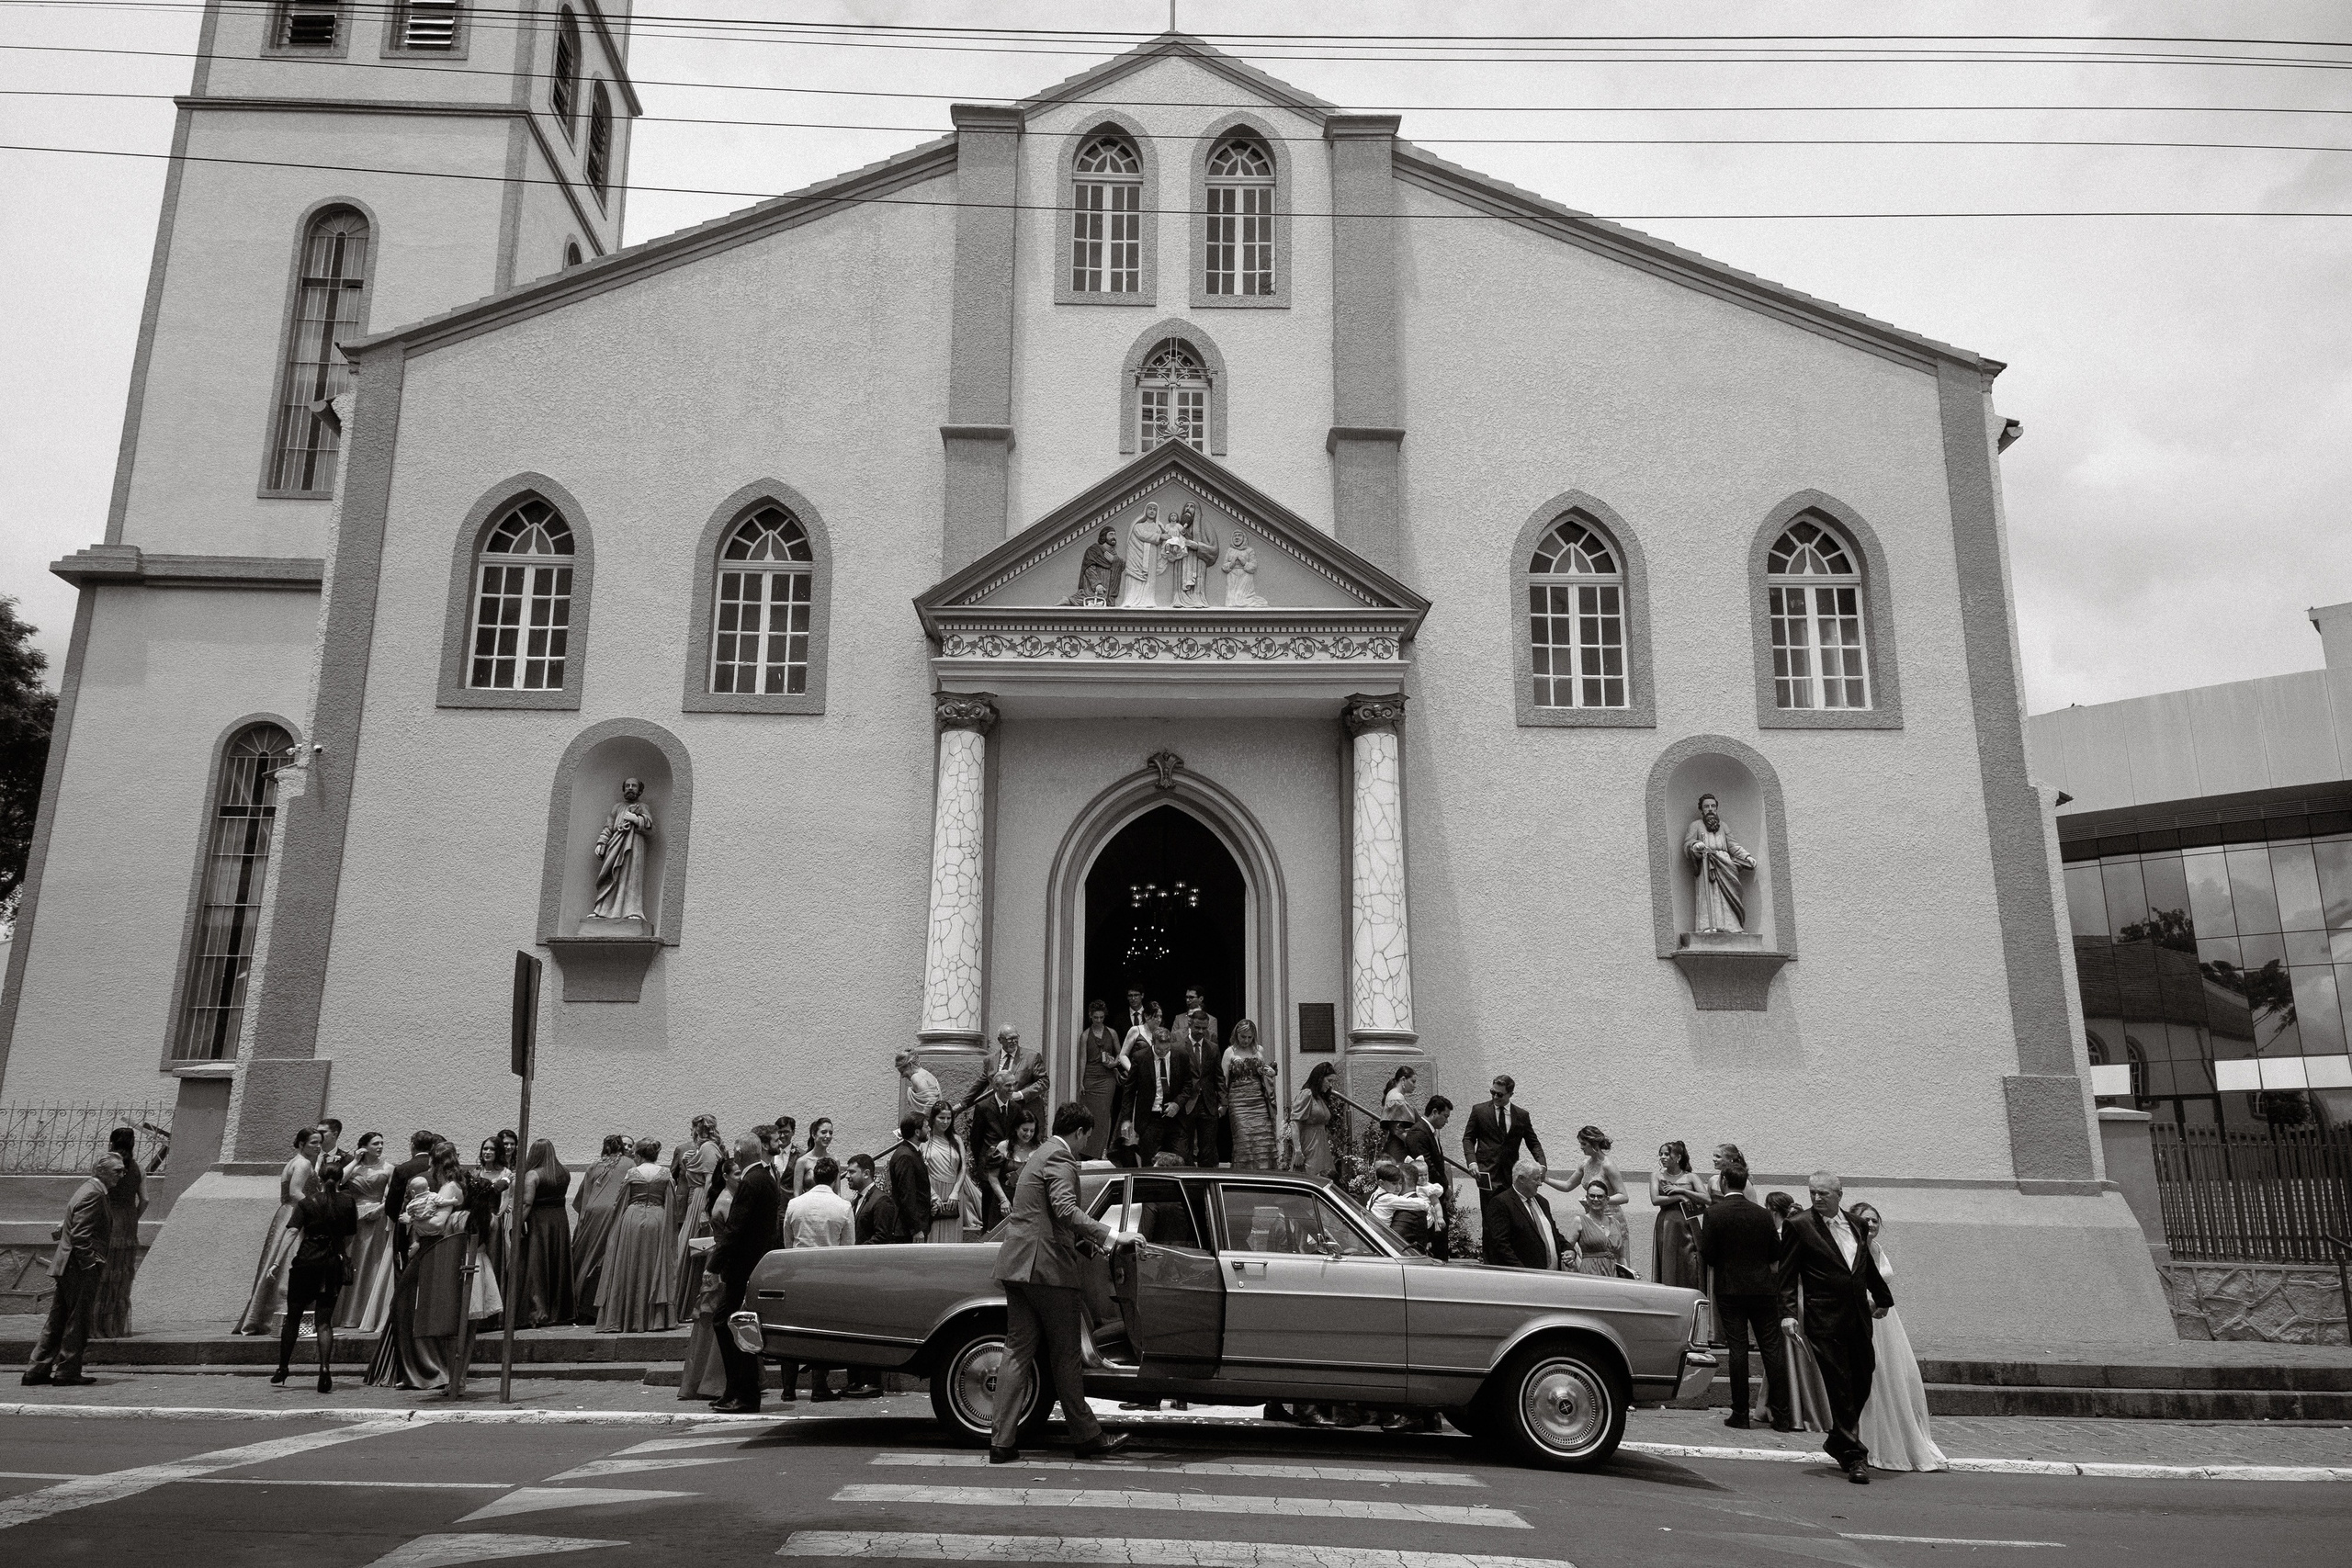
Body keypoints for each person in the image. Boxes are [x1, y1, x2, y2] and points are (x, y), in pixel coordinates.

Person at [988, 1100, 1140, 1464]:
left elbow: (1047, 1217)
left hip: (1019, 1266)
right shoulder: (1061, 1157)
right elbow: (1065, 1210)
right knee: (1067, 1356)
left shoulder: (1039, 1154)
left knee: (1017, 1351)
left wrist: (1090, 1245)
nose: (1085, 1144)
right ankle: (1087, 1436)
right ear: (1080, 1132)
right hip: (1049, 1271)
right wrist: (1111, 1236)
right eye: (1087, 1137)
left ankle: (1002, 1442)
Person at [1777, 1172, 1894, 1483]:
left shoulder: (1856, 1224)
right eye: (1813, 1193)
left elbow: (1863, 1266)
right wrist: (1788, 1313)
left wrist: (1883, 1298)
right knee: (1839, 1383)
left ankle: (1836, 1440)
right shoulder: (1799, 1225)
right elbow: (1786, 1274)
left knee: (1863, 1375)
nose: (1817, 1199)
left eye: (1823, 1194)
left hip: (1858, 1317)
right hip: (1823, 1319)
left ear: (1839, 1195)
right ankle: (1855, 1456)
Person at [1849, 1202, 1947, 1472]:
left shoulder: (1879, 1250)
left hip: (1886, 1322)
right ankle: (1868, 1441)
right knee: (1872, 1379)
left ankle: (1902, 1438)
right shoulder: (1847, 1250)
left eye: (1874, 1220)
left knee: (1899, 1378)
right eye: (1864, 1220)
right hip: (1859, 1318)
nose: (1870, 1225)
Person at [367, 1142, 470, 1392]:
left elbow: (436, 1225)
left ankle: (426, 1371)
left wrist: (410, 1220)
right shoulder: (450, 1186)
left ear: (435, 1163)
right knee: (409, 1306)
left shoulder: (448, 1188)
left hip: (433, 1250)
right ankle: (419, 1370)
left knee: (406, 1304)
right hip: (430, 1250)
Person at [779, 1155, 882, 1401]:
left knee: (791, 1332)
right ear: (836, 1176)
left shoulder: (795, 1204)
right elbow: (849, 1246)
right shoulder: (843, 1207)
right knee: (820, 1333)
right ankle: (818, 1386)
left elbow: (787, 1240)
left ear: (813, 1177)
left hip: (797, 1273)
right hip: (827, 1274)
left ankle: (788, 1389)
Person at [1700, 1162, 1792, 1432]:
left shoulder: (1714, 1214)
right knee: (1771, 1349)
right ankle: (1782, 1415)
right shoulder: (1763, 1214)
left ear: (1725, 1182)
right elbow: (1775, 1252)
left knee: (1737, 1349)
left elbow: (1708, 1254)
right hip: (1762, 1288)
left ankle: (1740, 1412)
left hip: (1730, 1288)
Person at [22, 1153, 123, 1386]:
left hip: (67, 1265)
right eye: (117, 1170)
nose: (122, 1174)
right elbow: (80, 1235)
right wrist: (90, 1263)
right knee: (77, 1320)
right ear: (101, 1171)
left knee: (57, 1319)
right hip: (78, 1267)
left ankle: (37, 1369)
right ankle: (67, 1371)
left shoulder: (87, 1189)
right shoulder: (94, 1194)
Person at [707, 1133, 780, 1414]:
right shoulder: (766, 1178)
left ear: (738, 1154)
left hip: (743, 1268)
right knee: (734, 1324)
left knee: (729, 1324)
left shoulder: (752, 1181)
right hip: (754, 1265)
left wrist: (713, 1267)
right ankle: (735, 1390)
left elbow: (735, 1230)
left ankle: (743, 1392)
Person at [276, 1153, 357, 1392]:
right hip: (332, 1263)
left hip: (307, 1261)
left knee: (293, 1317)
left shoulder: (307, 1202)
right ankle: (324, 1368)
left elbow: (291, 1232)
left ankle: (282, 1368)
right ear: (341, 1178)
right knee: (324, 1322)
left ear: (319, 1178)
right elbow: (350, 1235)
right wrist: (340, 1251)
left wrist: (276, 1262)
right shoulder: (348, 1202)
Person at [234, 1125, 322, 1335]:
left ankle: (264, 1315)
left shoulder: (295, 1161)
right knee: (290, 1263)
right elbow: (295, 1192)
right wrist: (319, 1207)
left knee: (279, 1262)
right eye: (313, 1143)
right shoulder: (302, 1164)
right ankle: (284, 1316)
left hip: (285, 1213)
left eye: (320, 1142)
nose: (318, 1146)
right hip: (295, 1214)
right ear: (302, 1144)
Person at [596, 1137, 676, 1332]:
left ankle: (625, 1317)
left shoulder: (632, 1173)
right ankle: (654, 1319)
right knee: (654, 1264)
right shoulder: (666, 1174)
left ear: (638, 1155)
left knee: (628, 1265)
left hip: (631, 1220)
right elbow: (672, 1204)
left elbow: (619, 1202)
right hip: (657, 1220)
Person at [1462, 1076, 1544, 1252]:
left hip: (1511, 1175)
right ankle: (1489, 1260)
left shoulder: (1521, 1115)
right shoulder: (1479, 1111)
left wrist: (1541, 1165)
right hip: (1486, 1174)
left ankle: (1508, 1259)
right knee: (1490, 1219)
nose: (1495, 1097)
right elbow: (1468, 1138)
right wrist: (1472, 1163)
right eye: (1492, 1093)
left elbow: (1533, 1143)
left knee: (1511, 1216)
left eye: (1499, 1094)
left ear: (1510, 1094)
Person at [334, 1132, 398, 1335]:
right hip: (354, 1219)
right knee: (353, 1263)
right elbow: (338, 1181)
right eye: (375, 1143)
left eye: (382, 1143)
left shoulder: (388, 1168)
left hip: (376, 1219)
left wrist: (379, 1210)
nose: (380, 1147)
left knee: (372, 1264)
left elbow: (394, 1196)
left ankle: (367, 1313)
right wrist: (354, 1160)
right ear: (364, 1146)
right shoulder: (355, 1168)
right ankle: (347, 1314)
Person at [569, 1134, 633, 1323]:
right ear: (621, 1147)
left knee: (586, 1258)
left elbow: (583, 1200)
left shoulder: (593, 1166)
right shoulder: (629, 1164)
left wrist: (581, 1225)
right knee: (607, 1258)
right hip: (615, 1211)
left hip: (592, 1213)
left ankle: (579, 1303)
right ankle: (602, 1306)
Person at [93, 1125, 147, 1338]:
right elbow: (145, 1200)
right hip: (127, 1221)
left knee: (101, 1273)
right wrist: (133, 1216)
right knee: (121, 1275)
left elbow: (96, 1192)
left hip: (106, 1217)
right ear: (133, 1145)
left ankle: (94, 1324)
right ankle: (114, 1325)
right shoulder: (139, 1168)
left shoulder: (105, 1166)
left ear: (111, 1143)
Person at [517, 1137, 573, 1327]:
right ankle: (559, 1312)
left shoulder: (533, 1175)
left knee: (536, 1266)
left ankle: (537, 1312)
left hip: (539, 1223)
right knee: (557, 1264)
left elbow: (526, 1203)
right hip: (559, 1221)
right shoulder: (564, 1172)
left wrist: (516, 1226)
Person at [671, 1115, 722, 1318]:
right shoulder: (705, 1148)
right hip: (696, 1198)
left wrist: (704, 1210)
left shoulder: (708, 1148)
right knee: (691, 1250)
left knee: (694, 1249)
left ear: (697, 1129)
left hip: (701, 1199)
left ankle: (693, 1302)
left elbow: (709, 1180)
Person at [1396, 1094, 1455, 1258]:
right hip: (1426, 1192)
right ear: (1434, 1112)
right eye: (1445, 1116)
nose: (1447, 1121)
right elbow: (1426, 1165)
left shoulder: (1430, 1131)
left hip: (1435, 1190)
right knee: (1435, 1237)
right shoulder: (1418, 1132)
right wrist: (1443, 1186)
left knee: (1441, 1235)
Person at [1127, 1023, 1193, 1165]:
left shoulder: (1181, 1055)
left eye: (1166, 1049)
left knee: (1181, 1159)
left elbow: (1188, 1085)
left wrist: (1177, 1103)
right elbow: (1129, 1091)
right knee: (1150, 1163)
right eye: (1159, 1049)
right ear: (1152, 1043)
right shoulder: (1140, 1057)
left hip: (1175, 1119)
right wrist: (1126, 1119)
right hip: (1151, 1118)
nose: (1163, 1052)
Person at [1485, 1158, 1567, 1269]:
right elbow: (1501, 1245)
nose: (1540, 1183)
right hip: (1523, 1278)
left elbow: (1553, 1233)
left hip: (1552, 1275)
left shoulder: (1542, 1202)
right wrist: (1523, 1272)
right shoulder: (1501, 1203)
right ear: (1521, 1179)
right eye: (1536, 1179)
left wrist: (1568, 1249)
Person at [967, 1072, 1023, 1232]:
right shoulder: (983, 1107)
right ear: (997, 1087)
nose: (1012, 1089)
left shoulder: (1016, 1108)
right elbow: (976, 1140)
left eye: (1014, 1085)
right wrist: (982, 1164)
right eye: (1008, 1086)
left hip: (1009, 1169)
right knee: (989, 1212)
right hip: (989, 1168)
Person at [1221, 1019, 1279, 1168]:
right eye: (1243, 1037)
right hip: (1239, 1102)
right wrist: (1223, 1103)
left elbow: (1264, 1073)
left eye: (1249, 1037)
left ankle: (1265, 1177)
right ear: (1236, 1035)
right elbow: (1223, 1080)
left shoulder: (1259, 1050)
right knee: (1244, 1140)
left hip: (1259, 1100)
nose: (1246, 1040)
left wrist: (1272, 1073)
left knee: (1263, 1140)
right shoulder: (1229, 1052)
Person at [961, 1023, 1049, 1122]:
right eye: (1010, 1039)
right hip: (999, 1117)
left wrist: (1020, 1094)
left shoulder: (1032, 1057)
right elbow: (980, 1085)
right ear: (1000, 1040)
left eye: (1016, 1038)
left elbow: (1044, 1082)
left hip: (1025, 1115)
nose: (1014, 1042)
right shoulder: (990, 1060)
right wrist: (962, 1104)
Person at [1651, 1140, 1709, 1290]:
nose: (1662, 1157)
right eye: (1661, 1154)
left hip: (1688, 1223)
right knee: (1669, 1262)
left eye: (1666, 1154)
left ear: (1678, 1157)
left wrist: (1684, 1191)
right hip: (1668, 1224)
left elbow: (1707, 1199)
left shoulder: (1690, 1177)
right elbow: (1655, 1200)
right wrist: (1678, 1197)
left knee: (1691, 1261)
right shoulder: (1657, 1176)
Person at [922, 1101, 978, 1243]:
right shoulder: (924, 1140)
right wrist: (933, 1194)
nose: (945, 1122)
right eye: (941, 1118)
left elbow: (963, 1167)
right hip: (932, 1190)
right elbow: (921, 1171)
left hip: (954, 1190)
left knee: (951, 1235)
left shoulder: (957, 1139)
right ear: (933, 1118)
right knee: (932, 1234)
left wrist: (955, 1192)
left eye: (949, 1118)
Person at [1077, 1000, 1124, 1159]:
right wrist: (1080, 1082)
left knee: (1104, 1114)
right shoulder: (1085, 1035)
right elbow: (1083, 1059)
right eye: (1095, 1017)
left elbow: (1121, 1053)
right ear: (1090, 1016)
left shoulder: (1112, 1033)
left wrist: (1115, 1063)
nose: (1098, 1020)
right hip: (1090, 1076)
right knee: (1090, 1114)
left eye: (1101, 1017)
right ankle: (1088, 1149)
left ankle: (1103, 1149)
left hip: (1107, 1077)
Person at [1367, 1160, 1444, 1255]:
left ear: (1404, 1182)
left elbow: (1394, 1240)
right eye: (1394, 1182)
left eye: (1400, 1182)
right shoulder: (1390, 1198)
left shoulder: (1411, 1211)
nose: (1398, 1186)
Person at [385, 1130, 438, 1262]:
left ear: (412, 1145)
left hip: (407, 1222)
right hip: (434, 1221)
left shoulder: (402, 1169)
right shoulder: (438, 1167)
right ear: (432, 1147)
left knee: (404, 1261)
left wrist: (395, 1219)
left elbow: (393, 1202)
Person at [1178, 1014, 1223, 1167]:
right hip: (1187, 1103)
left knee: (1207, 1148)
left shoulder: (1213, 1048)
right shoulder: (1179, 1047)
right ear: (1190, 1024)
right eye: (1197, 1027)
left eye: (1204, 1028)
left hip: (1208, 1103)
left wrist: (1224, 1102)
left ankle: (1207, 1184)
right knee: (1185, 1149)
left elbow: (1219, 1077)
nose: (1201, 1031)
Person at [883, 1112, 933, 1244]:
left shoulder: (911, 1152)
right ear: (917, 1132)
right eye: (926, 1126)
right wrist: (916, 1229)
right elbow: (907, 1194)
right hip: (907, 1230)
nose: (929, 1129)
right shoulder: (906, 1156)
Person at [1550, 1124, 1629, 1208]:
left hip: (1610, 1216)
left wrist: (1599, 1200)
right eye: (1580, 1144)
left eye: (1584, 1144)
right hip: (1591, 1216)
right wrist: (1544, 1178)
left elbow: (1624, 1197)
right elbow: (1567, 1186)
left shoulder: (1607, 1165)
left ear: (1594, 1144)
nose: (1581, 1147)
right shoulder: (1584, 1165)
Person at [1287, 1060, 1337, 1177]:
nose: (1330, 1085)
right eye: (1329, 1081)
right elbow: (1295, 1123)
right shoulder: (1307, 1094)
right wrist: (1298, 1151)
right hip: (1309, 1146)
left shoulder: (1319, 1097)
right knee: (1310, 1176)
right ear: (1319, 1078)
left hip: (1321, 1146)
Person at [1567, 1181, 1627, 1275]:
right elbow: (1567, 1247)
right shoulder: (1579, 1221)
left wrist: (1627, 1274)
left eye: (1600, 1196)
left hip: (1613, 1274)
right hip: (1590, 1272)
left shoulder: (1616, 1223)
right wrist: (1570, 1257)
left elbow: (1622, 1256)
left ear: (1607, 1199)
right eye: (1592, 1196)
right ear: (1587, 1198)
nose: (1595, 1199)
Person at [1000, 1106, 1046, 1197]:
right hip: (1005, 1201)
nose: (1028, 1134)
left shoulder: (1039, 1149)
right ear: (1016, 1128)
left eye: (1032, 1131)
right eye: (1025, 1130)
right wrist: (1003, 1199)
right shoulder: (1003, 1146)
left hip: (1029, 1200)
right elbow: (992, 1177)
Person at [793, 1119, 836, 1198]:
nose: (828, 1136)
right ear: (813, 1134)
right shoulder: (802, 1161)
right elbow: (797, 1194)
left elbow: (837, 1192)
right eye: (823, 1132)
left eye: (831, 1133)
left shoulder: (835, 1161)